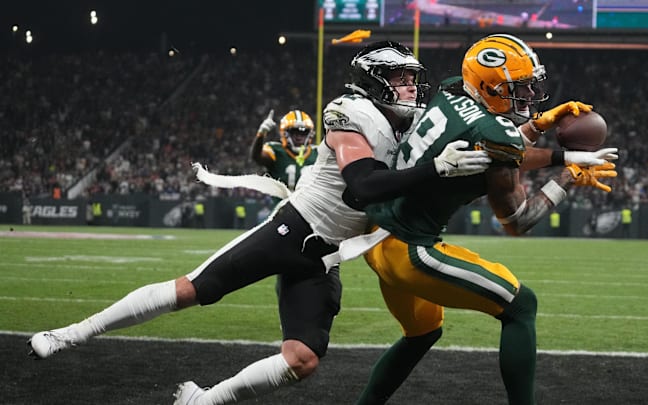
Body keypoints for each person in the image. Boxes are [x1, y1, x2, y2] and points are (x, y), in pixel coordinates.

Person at [27, 41, 490, 404]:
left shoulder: (410, 125)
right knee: (193, 290)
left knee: (302, 360)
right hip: (292, 230)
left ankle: (203, 400)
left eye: (412, 77)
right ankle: (67, 334)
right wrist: (436, 169)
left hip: (324, 258)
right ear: (374, 81)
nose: (411, 86)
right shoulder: (350, 112)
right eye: (400, 77)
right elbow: (364, 186)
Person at [351, 34, 618, 404]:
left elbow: (499, 149)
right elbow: (518, 221)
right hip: (411, 251)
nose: (526, 98)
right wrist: (566, 179)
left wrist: (551, 141)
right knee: (522, 306)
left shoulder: (452, 92)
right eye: (517, 89)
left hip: (374, 235)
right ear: (490, 87)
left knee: (423, 332)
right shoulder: (495, 133)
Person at [249, 109, 318, 191]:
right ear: (284, 133)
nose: (299, 137)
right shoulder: (276, 151)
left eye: (303, 133)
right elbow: (257, 157)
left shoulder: (318, 154)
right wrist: (261, 134)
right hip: (281, 202)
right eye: (294, 132)